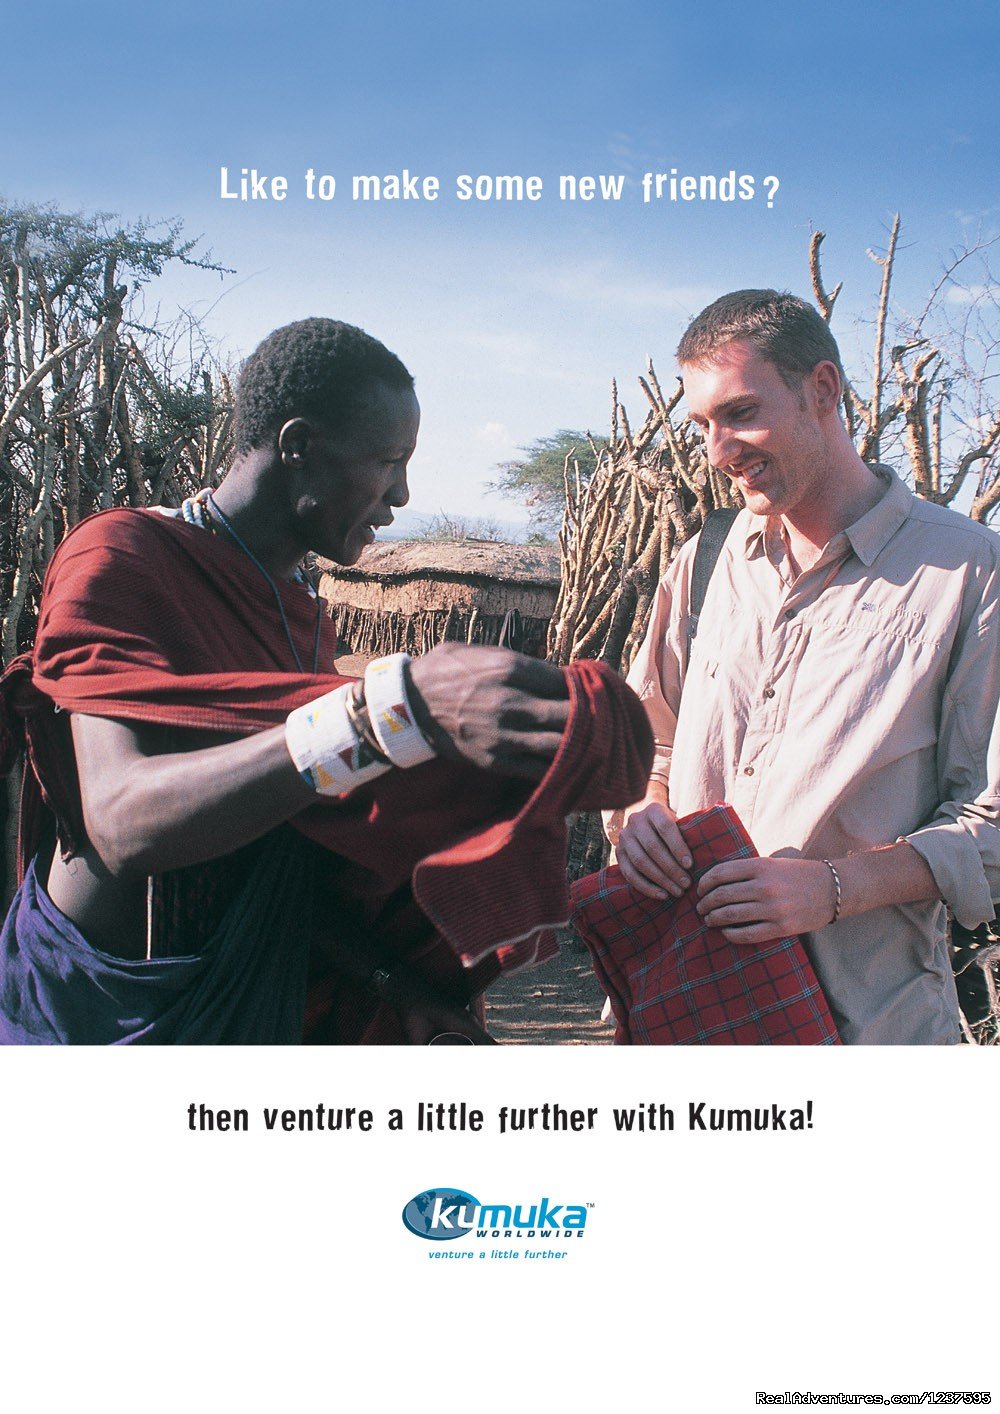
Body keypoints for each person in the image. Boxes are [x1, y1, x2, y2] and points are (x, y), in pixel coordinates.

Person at [0, 318, 652, 1045]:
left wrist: (398, 988)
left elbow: (276, 852)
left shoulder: (304, 618)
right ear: (299, 446)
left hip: (246, 991)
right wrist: (390, 715)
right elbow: (121, 824)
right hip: (103, 1005)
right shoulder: (122, 554)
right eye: (387, 460)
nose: (401, 493)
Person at [612, 289, 1000, 1044]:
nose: (719, 451)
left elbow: (990, 823)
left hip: (868, 1030)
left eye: (741, 413)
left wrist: (830, 889)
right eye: (703, 426)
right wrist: (643, 810)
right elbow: (648, 739)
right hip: (687, 1010)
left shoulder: (970, 573)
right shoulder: (706, 562)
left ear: (822, 390)